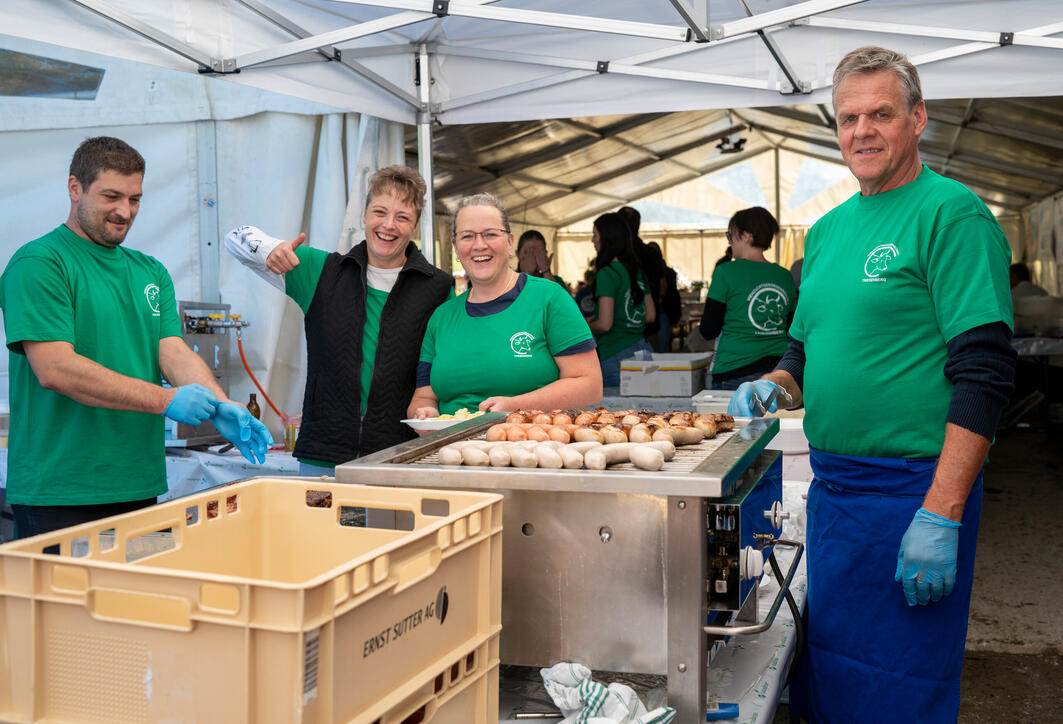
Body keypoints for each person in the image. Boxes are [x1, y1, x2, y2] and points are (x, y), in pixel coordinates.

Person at [728, 46, 1015, 722]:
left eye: (880, 113)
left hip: (911, 495)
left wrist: (941, 510)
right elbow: (802, 349)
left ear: (917, 118)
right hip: (836, 496)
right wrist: (774, 384)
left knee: (898, 686)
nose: (861, 130)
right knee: (827, 675)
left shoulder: (951, 214)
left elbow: (985, 369)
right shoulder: (825, 232)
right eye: (847, 117)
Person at [0, 137, 272, 539]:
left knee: (139, 603)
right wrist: (167, 400)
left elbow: (173, 352)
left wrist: (219, 404)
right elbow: (55, 369)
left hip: (137, 484)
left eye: (135, 199)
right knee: (70, 604)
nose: (124, 211)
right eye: (111, 196)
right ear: (75, 188)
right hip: (61, 491)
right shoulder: (41, 262)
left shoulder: (150, 270)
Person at [226, 166, 453, 475]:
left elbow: (446, 365)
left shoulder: (438, 288)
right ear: (364, 215)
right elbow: (235, 237)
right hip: (323, 455)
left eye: (402, 217)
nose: (388, 225)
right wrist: (268, 249)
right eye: (380, 212)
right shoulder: (324, 271)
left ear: (415, 226)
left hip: (398, 457)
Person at [409, 193, 601, 417]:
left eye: (490, 234)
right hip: (450, 449)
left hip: (531, 445)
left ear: (509, 243)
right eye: (467, 236)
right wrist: (424, 415)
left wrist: (515, 407)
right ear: (455, 247)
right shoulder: (441, 317)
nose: (479, 245)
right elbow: (423, 397)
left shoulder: (549, 298)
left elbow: (590, 385)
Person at [699, 207, 796, 389]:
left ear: (746, 236)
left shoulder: (726, 272)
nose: (730, 242)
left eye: (731, 235)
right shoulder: (784, 276)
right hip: (779, 373)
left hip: (735, 372)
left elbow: (708, 329)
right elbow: (792, 328)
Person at [588, 212, 656, 387]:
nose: (592, 240)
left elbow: (604, 324)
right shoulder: (636, 271)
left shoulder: (607, 273)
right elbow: (650, 315)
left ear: (607, 238)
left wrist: (586, 325)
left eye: (595, 235)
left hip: (615, 355)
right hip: (642, 352)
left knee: (617, 413)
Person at [619, 206, 665, 341]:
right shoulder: (652, 253)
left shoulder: (617, 257)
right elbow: (663, 288)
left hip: (623, 332)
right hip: (649, 326)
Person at [648, 241, 682, 353]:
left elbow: (665, 292)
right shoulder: (646, 271)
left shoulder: (667, 272)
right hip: (656, 315)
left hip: (663, 313)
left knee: (661, 347)